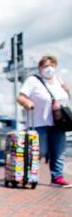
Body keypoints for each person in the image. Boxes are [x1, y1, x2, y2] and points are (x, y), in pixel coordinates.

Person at [17, 55, 71, 188]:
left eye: (52, 65)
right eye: (46, 66)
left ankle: (57, 177)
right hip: (39, 123)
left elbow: (66, 97)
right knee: (40, 151)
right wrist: (27, 103)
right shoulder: (33, 80)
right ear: (40, 67)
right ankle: (28, 175)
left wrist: (67, 90)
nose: (49, 68)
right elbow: (20, 97)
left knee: (59, 151)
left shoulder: (58, 80)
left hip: (59, 123)